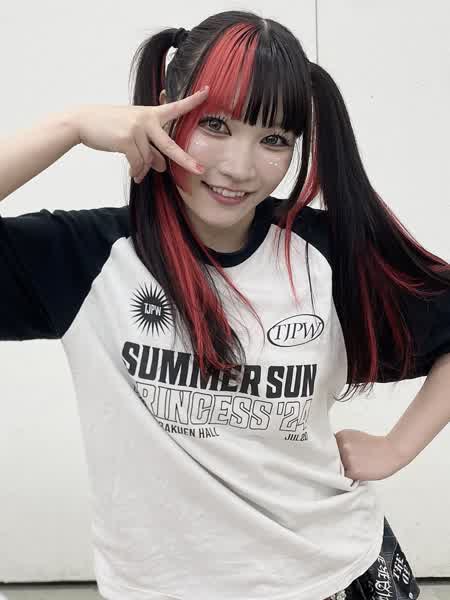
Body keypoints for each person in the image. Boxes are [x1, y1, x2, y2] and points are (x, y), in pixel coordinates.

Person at [1, 9, 449, 600]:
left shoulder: (325, 257)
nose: (239, 168)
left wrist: (397, 447)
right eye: (214, 124)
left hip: (334, 577)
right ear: (163, 110)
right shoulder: (89, 259)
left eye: (273, 140)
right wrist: (70, 126)